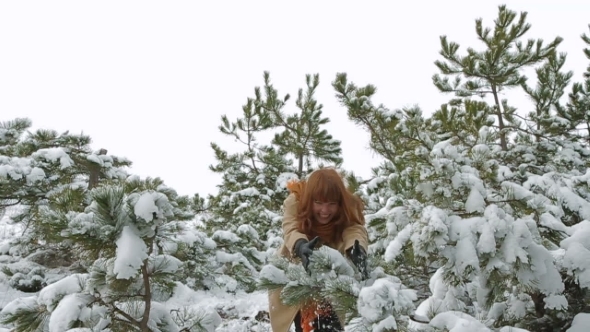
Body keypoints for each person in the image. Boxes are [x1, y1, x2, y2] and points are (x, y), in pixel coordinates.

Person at [268, 167, 369, 332]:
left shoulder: (348, 205)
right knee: (304, 322)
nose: (325, 210)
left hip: (331, 272)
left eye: (331, 204)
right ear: (310, 200)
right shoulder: (295, 202)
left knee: (330, 323)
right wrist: (300, 245)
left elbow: (354, 229)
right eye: (319, 203)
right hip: (296, 271)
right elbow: (291, 228)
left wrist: (356, 249)